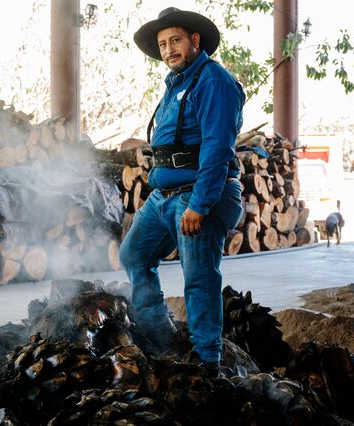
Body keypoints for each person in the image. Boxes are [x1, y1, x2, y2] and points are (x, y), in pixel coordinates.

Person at [119, 7, 245, 375]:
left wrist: (201, 205)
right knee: (133, 256)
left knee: (199, 277)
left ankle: (209, 364)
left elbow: (217, 148)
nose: (169, 49)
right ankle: (161, 338)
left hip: (198, 196)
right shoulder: (175, 85)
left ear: (195, 40)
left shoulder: (214, 82)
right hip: (164, 197)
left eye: (175, 40)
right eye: (162, 44)